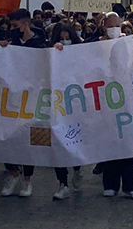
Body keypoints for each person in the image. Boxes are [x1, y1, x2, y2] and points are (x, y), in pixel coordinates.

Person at [91, 12, 133, 199]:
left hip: (128, 100)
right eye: (110, 25)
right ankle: (110, 184)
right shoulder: (94, 44)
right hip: (106, 100)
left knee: (130, 142)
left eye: (117, 25)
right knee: (110, 142)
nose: (114, 28)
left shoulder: (128, 42)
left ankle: (131, 186)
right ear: (103, 26)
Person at [0, 9, 47, 198]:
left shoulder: (41, 41)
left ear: (25, 24)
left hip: (34, 96)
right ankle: (13, 171)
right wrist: (1, 48)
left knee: (30, 138)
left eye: (15, 25)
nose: (12, 29)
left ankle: (27, 180)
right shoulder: (11, 40)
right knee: (8, 136)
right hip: (12, 96)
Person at [50, 22, 84, 200]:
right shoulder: (49, 52)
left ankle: (77, 169)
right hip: (56, 106)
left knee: (74, 141)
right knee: (58, 145)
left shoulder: (81, 53)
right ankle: (62, 183)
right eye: (61, 38)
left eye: (67, 38)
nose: (64, 41)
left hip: (75, 105)